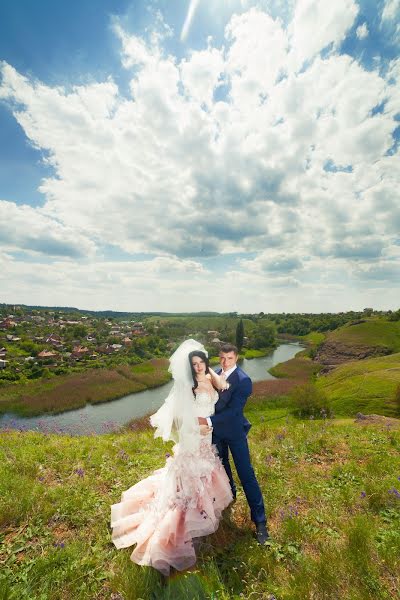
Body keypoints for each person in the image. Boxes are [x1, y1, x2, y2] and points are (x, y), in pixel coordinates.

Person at [110, 340, 233, 576]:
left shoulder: (210, 377)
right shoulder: (188, 387)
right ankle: (189, 509)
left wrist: (213, 375)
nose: (198, 367)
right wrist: (197, 427)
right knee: (192, 473)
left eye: (201, 363)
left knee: (208, 470)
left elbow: (224, 386)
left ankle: (206, 505)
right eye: (194, 364)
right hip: (196, 435)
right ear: (189, 367)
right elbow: (180, 415)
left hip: (209, 435)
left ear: (206, 363)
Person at [197, 343, 269, 544]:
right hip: (216, 434)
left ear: (236, 358)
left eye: (229, 358)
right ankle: (230, 498)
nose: (224, 362)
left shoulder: (244, 381)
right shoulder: (214, 373)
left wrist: (207, 421)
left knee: (246, 474)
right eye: (221, 357)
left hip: (235, 432)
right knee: (222, 469)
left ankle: (260, 522)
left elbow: (234, 411)